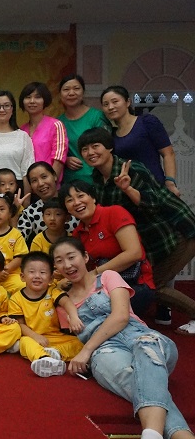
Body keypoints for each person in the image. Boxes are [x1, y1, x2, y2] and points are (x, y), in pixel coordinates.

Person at [51, 237, 195, 439]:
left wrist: (86, 350)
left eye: (71, 257)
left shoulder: (108, 276)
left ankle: (152, 434)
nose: (67, 265)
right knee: (137, 380)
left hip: (140, 335)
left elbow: (120, 316)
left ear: (85, 257)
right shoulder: (64, 305)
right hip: (106, 351)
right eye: (59, 261)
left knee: (147, 349)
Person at [79, 127, 195, 334]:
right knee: (151, 284)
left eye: (95, 146)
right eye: (85, 149)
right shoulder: (97, 179)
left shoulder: (132, 169)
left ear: (110, 148)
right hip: (152, 240)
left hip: (177, 230)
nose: (90, 152)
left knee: (154, 286)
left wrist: (128, 189)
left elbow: (153, 204)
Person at [60, 180, 155, 317]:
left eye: (81, 196)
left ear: (93, 198)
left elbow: (134, 253)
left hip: (134, 284)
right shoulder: (78, 234)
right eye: (70, 200)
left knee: (87, 315)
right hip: (100, 288)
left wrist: (95, 273)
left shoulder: (114, 213)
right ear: (67, 209)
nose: (76, 202)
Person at [9, 251, 84, 377]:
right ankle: (43, 358)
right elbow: (20, 325)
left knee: (80, 343)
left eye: (43, 272)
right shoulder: (16, 299)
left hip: (56, 337)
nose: (37, 276)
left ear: (51, 278)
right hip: (33, 337)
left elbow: (67, 303)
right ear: (22, 276)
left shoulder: (53, 291)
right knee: (24, 342)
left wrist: (74, 317)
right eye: (32, 272)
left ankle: (56, 353)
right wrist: (35, 336)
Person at [102, 85, 180, 195]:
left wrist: (170, 182)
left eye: (115, 102)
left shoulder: (147, 122)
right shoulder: (111, 134)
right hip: (128, 191)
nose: (110, 107)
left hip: (154, 187)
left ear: (128, 102)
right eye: (106, 104)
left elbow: (168, 153)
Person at [56, 74, 110, 184]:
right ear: (60, 94)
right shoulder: (57, 123)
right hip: (69, 182)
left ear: (83, 92)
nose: (71, 93)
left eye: (76, 88)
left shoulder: (97, 117)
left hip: (96, 179)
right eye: (66, 89)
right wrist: (65, 159)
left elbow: (107, 147)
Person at [18, 162, 79, 245]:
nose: (40, 183)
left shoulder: (74, 203)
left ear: (54, 176)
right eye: (34, 180)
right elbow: (17, 241)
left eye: (44, 177)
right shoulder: (30, 212)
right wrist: (14, 213)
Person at [19, 82, 68, 184]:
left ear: (45, 100)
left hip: (49, 186)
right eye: (28, 97)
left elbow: (59, 159)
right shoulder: (21, 130)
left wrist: (49, 183)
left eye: (37, 97)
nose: (32, 101)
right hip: (28, 186)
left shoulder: (56, 125)